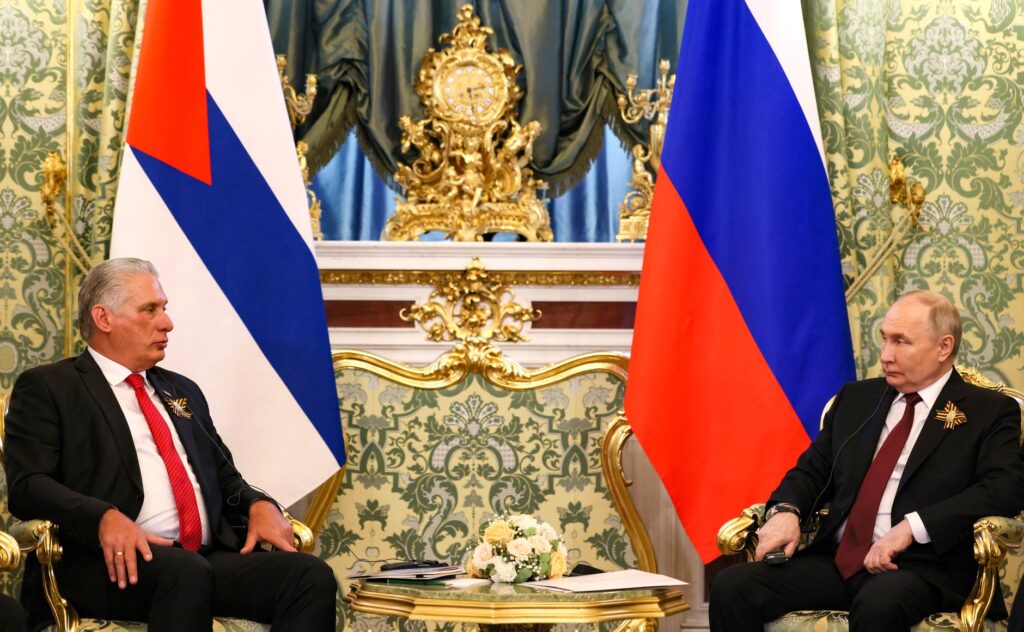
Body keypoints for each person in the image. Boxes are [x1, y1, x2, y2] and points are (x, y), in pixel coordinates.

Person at [4, 258, 337, 631]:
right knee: (184, 573)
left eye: (163, 309)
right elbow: (28, 486)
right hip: (102, 562)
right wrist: (103, 516)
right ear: (104, 318)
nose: (167, 322)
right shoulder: (50, 387)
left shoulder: (180, 390)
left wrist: (258, 503)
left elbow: (226, 478)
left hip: (200, 557)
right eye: (150, 309)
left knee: (309, 576)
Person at [710, 290, 1024, 631]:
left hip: (922, 568)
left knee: (880, 602)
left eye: (901, 342)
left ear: (943, 347)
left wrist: (912, 527)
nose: (886, 355)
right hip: (839, 561)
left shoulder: (987, 410)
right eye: (884, 340)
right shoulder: (857, 399)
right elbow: (812, 471)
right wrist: (787, 510)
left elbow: (1003, 488)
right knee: (733, 586)